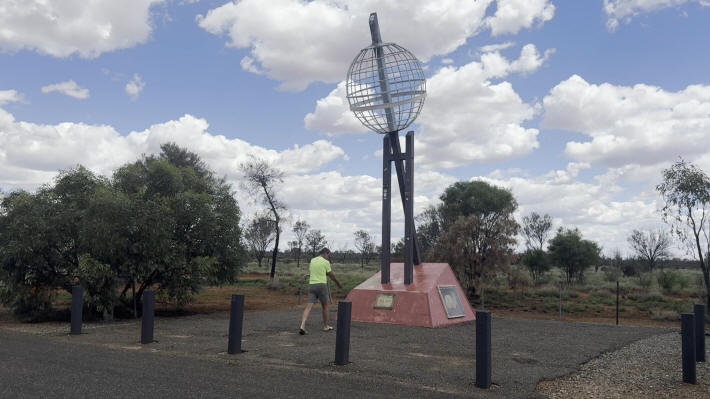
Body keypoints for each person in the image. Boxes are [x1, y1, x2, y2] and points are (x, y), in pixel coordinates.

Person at [299, 247, 342, 334]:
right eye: (328, 255)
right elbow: (331, 275)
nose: (328, 257)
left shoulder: (313, 260)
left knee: (308, 307)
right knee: (325, 306)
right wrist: (338, 283)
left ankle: (302, 325)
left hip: (312, 285)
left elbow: (314, 271)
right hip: (321, 285)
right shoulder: (326, 262)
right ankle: (326, 326)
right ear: (325, 253)